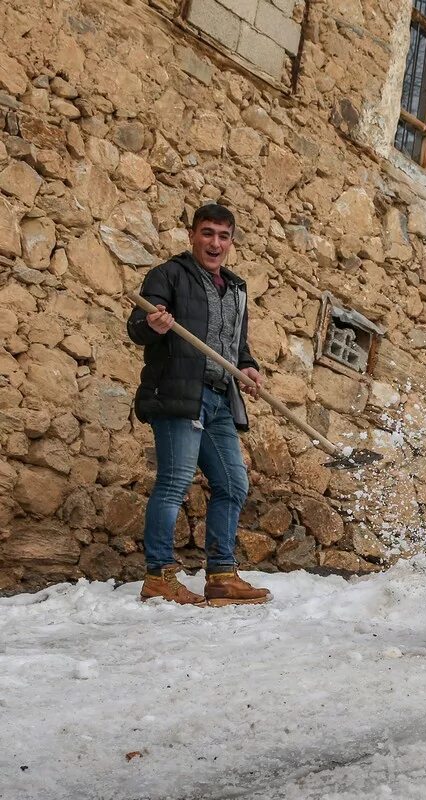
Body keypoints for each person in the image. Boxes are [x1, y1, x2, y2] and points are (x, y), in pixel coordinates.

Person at [126, 204, 270, 606]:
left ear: (231, 242)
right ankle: (158, 575)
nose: (215, 243)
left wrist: (249, 369)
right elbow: (137, 326)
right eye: (207, 233)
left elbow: (238, 349)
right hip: (178, 395)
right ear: (192, 235)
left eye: (223, 236)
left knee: (233, 484)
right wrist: (151, 324)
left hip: (222, 399)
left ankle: (222, 574)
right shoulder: (169, 274)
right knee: (175, 481)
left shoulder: (237, 289)